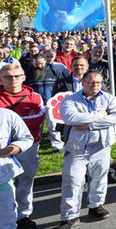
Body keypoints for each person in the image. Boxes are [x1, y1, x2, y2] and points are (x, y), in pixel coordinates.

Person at [59, 71, 116, 228]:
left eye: (98, 82)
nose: (95, 85)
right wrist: (101, 114)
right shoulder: (70, 100)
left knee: (99, 177)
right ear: (83, 82)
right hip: (77, 148)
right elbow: (71, 119)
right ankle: (70, 216)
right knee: (72, 181)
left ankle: (96, 206)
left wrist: (90, 125)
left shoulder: (110, 99)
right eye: (91, 82)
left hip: (101, 146)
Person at [0, 64, 45, 229]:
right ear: (1, 79)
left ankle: (22, 215)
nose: (13, 79)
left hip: (28, 146)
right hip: (2, 149)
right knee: (5, 184)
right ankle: (7, 215)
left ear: (24, 77)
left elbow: (38, 119)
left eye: (17, 76)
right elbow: (29, 121)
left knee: (25, 181)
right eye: (8, 77)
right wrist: (22, 119)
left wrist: (13, 121)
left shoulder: (34, 96)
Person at [0, 105, 34, 229]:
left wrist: (5, 151)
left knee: (6, 220)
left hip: (2, 176)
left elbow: (26, 138)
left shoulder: (6, 115)